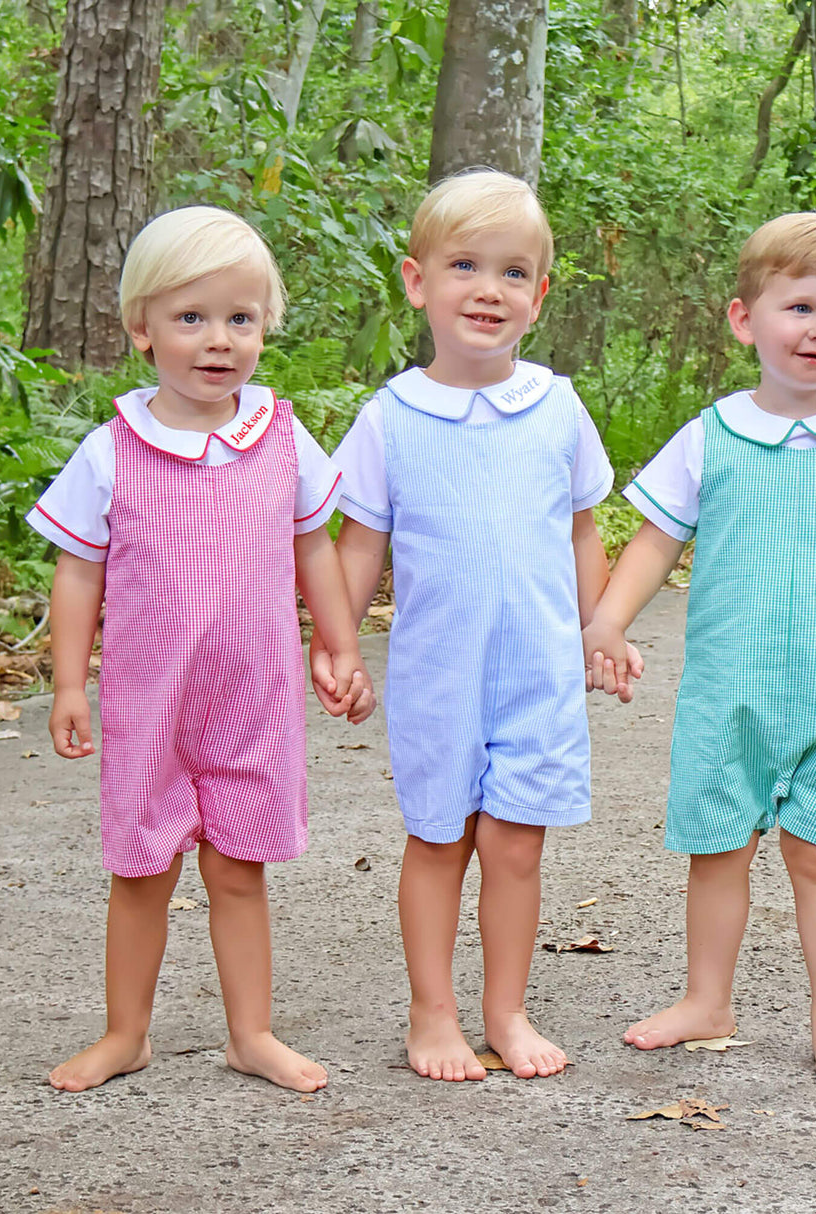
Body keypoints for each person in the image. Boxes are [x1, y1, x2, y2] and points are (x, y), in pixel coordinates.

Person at [583, 212, 816, 1084]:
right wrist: (607, 619)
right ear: (745, 318)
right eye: (799, 307)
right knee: (719, 849)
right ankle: (706, 998)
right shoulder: (710, 437)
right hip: (729, 694)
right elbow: (652, 541)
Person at [27, 206, 374, 1095]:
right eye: (191, 318)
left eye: (240, 319)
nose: (217, 341)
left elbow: (313, 548)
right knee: (143, 868)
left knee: (237, 866)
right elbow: (77, 573)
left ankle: (250, 1033)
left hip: (252, 696)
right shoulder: (112, 451)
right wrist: (70, 684)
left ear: (264, 328)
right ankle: (125, 1033)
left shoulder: (280, 436)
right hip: (151, 700)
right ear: (141, 330)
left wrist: (339, 647)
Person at [313, 169, 639, 1082]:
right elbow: (356, 547)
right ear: (418, 282)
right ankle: (432, 1013)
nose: (486, 290)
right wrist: (336, 644)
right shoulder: (389, 419)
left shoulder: (556, 406)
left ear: (539, 293)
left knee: (515, 843)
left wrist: (603, 625)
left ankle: (506, 1009)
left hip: (537, 672)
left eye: (511, 272)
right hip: (437, 675)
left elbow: (581, 528)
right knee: (441, 837)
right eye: (464, 266)